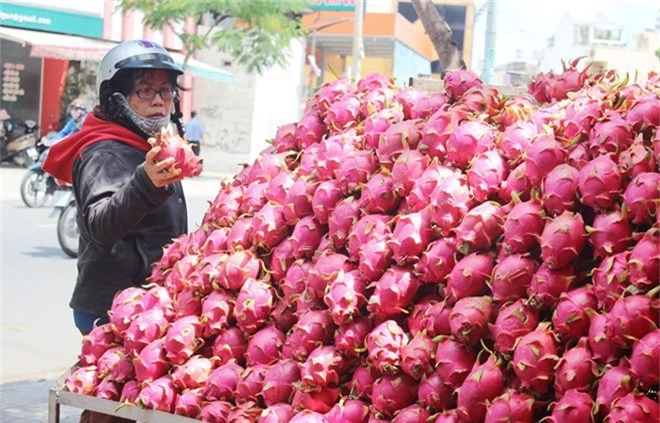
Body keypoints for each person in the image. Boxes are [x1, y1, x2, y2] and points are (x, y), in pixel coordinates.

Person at [43, 39, 189, 423]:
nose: (160, 100)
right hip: (112, 305)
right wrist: (145, 183)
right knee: (114, 406)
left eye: (165, 90)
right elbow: (98, 225)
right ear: (116, 97)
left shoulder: (152, 145)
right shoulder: (104, 152)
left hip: (146, 302)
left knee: (133, 404)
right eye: (145, 89)